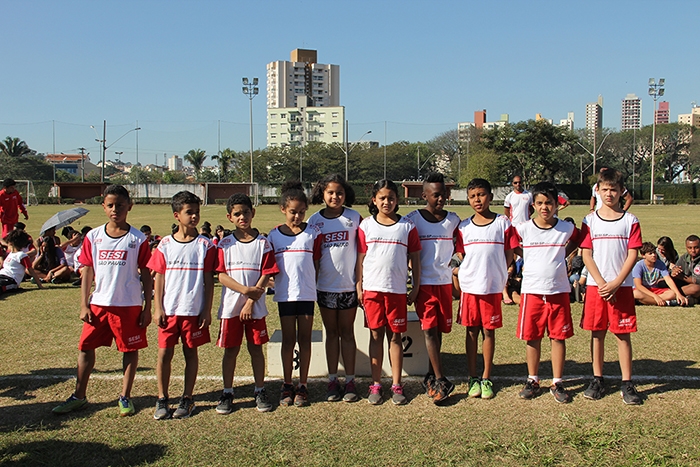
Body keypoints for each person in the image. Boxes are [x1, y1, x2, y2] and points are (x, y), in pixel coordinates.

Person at [52, 185, 153, 416]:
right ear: (103, 207)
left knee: (129, 349)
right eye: (110, 205)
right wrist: (83, 304)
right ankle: (79, 395)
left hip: (129, 305)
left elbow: (146, 274)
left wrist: (148, 306)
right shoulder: (93, 236)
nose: (115, 209)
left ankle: (125, 396)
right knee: (85, 347)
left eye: (120, 205)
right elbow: (87, 270)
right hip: (99, 303)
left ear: (129, 206)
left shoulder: (138, 239)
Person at [147, 191, 216, 420]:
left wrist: (206, 309)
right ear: (177, 215)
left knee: (190, 353)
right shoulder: (165, 244)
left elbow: (208, 279)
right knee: (164, 354)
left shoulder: (205, 244)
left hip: (193, 311)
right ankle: (162, 398)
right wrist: (158, 308)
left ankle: (187, 397)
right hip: (170, 311)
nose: (194, 216)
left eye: (197, 212)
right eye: (189, 212)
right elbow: (159, 277)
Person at [513, 182, 580, 404]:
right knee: (532, 337)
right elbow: (511, 243)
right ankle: (533, 379)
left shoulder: (566, 228)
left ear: (557, 205)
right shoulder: (524, 228)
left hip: (558, 290)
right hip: (532, 291)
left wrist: (564, 254)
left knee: (558, 337)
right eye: (540, 203)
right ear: (533, 205)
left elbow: (580, 240)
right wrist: (525, 256)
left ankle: (557, 381)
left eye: (549, 203)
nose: (545, 207)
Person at [580, 168, 643, 405]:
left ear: (621, 192)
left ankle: (627, 383)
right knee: (597, 334)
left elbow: (633, 254)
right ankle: (597, 378)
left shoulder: (630, 220)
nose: (609, 194)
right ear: (597, 190)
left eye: (614, 190)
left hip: (622, 287)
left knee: (622, 335)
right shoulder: (590, 220)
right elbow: (586, 255)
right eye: (604, 189)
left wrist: (616, 283)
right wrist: (602, 283)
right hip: (598, 288)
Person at [356, 179, 421, 406]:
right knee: (375, 336)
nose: (387, 202)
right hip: (373, 290)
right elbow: (361, 259)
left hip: (396, 291)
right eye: (382, 198)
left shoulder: (407, 226)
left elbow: (415, 258)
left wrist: (416, 285)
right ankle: (375, 384)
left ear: (397, 200)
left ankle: (396, 384)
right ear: (374, 200)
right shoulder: (366, 226)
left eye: (391, 198)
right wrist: (359, 284)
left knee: (395, 337)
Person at [215, 193, 278, 414]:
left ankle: (260, 390)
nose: (243, 217)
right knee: (231, 351)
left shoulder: (263, 242)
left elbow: (267, 272)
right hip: (231, 307)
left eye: (246, 212)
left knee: (256, 349)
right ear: (229, 217)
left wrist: (251, 301)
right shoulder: (225, 244)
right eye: (237, 214)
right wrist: (244, 291)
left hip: (256, 308)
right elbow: (221, 275)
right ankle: (228, 392)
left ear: (253, 213)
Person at [455, 178, 517, 400]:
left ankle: (487, 377)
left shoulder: (503, 223)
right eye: (472, 196)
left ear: (490, 196)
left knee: (488, 331)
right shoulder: (463, 226)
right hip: (471, 287)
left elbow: (510, 251)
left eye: (481, 194)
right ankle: (473, 378)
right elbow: (462, 254)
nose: (477, 199)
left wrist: (502, 271)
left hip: (492, 287)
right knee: (471, 331)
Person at [405, 173, 460, 404]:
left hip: (444, 284)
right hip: (424, 284)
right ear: (424, 195)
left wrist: (456, 265)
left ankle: (431, 371)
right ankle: (440, 378)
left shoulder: (454, 220)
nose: (441, 199)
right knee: (428, 330)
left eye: (444, 194)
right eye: (436, 195)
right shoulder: (413, 220)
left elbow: (461, 247)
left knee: (438, 330)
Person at [267, 181, 322, 407]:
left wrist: (312, 282)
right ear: (283, 210)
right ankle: (287, 384)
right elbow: (269, 266)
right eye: (292, 212)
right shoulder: (274, 236)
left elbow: (317, 263)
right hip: (286, 296)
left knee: (305, 340)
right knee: (288, 340)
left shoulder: (313, 233)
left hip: (307, 294)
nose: (297, 216)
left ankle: (303, 385)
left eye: (301, 212)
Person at [308, 174, 362, 403]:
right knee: (331, 334)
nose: (335, 197)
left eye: (339, 193)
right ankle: (332, 380)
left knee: (348, 333)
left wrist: (359, 282)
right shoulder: (313, 220)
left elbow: (361, 253)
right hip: (325, 288)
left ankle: (350, 380)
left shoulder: (354, 217)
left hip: (348, 287)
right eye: (330, 192)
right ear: (322, 194)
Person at [632, 242, 688, 307]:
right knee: (636, 293)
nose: (654, 255)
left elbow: (668, 280)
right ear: (643, 255)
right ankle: (663, 302)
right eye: (650, 254)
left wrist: (678, 294)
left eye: (654, 253)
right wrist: (655, 297)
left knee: (672, 293)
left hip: (655, 290)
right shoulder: (639, 266)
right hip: (644, 290)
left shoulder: (660, 264)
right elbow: (638, 286)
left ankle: (646, 301)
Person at [0, 229, 43, 294]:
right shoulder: (11, 254)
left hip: (10, 280)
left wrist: (40, 285)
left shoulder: (22, 255)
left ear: (11, 243)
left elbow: (31, 270)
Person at [670, 235, 700, 299]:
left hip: (696, 288)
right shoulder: (684, 258)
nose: (693, 250)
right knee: (662, 281)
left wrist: (682, 277)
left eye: (696, 247)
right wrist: (674, 272)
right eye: (690, 248)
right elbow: (675, 269)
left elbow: (698, 281)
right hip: (685, 286)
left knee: (696, 288)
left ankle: (671, 295)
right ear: (686, 247)